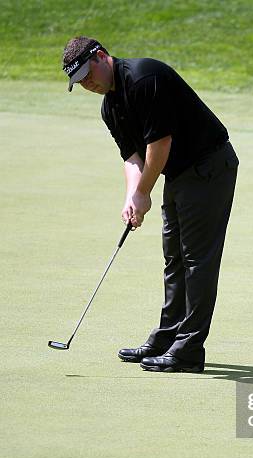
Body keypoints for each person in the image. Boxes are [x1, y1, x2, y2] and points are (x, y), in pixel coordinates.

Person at [62, 37, 239, 373]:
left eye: (88, 74)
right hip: (179, 174)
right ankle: (167, 337)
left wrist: (144, 192)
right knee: (174, 257)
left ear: (101, 56)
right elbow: (133, 157)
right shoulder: (109, 107)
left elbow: (160, 143)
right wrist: (133, 196)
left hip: (208, 166)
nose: (87, 83)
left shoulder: (144, 78)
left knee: (197, 261)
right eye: (80, 81)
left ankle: (188, 350)